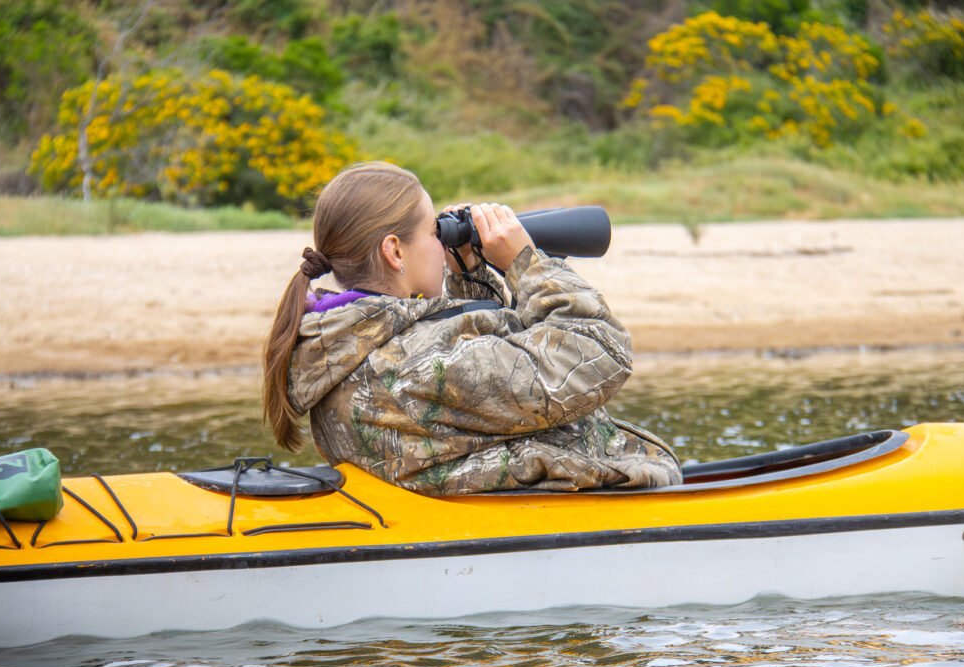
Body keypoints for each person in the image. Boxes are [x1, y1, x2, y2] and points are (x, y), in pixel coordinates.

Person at [263, 161, 681, 495]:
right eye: (434, 232)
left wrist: (469, 274)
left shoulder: (346, 344)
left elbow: (486, 379)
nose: (441, 243)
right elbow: (601, 351)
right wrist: (525, 262)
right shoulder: (411, 363)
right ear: (395, 251)